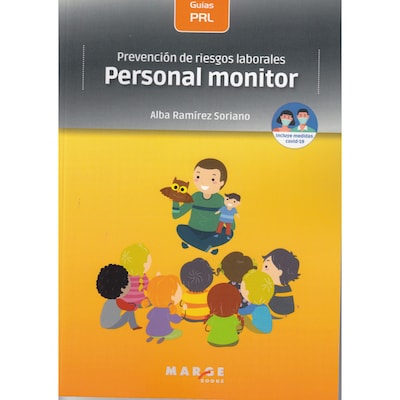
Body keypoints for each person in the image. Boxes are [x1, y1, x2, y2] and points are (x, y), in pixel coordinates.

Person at [171, 158, 233, 255]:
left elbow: (232, 226)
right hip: (193, 231)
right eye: (198, 176)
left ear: (222, 182)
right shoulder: (195, 197)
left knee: (229, 234)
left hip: (213, 233)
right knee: (180, 229)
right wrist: (175, 200)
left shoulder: (220, 200)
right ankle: (207, 248)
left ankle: (194, 243)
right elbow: (176, 215)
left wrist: (229, 211)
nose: (204, 182)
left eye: (212, 179)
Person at [96, 264, 142, 330]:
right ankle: (134, 326)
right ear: (123, 288)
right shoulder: (118, 301)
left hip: (104, 324)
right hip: (112, 324)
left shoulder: (110, 301)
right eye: (129, 281)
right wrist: (139, 305)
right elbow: (130, 307)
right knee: (130, 312)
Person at [145, 275, 186, 344]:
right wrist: (182, 317)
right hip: (164, 331)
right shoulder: (168, 311)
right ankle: (163, 337)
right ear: (172, 297)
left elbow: (148, 316)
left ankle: (152, 336)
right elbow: (176, 320)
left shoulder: (154, 309)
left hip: (150, 330)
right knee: (178, 332)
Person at [261, 248, 300, 319]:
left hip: (274, 313)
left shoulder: (272, 287)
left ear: (280, 272)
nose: (262, 270)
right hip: (286, 313)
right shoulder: (286, 286)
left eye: (266, 267)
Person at [179, 258, 215, 322]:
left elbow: (182, 305)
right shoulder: (209, 295)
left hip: (188, 317)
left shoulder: (184, 295)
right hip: (206, 318)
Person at [120, 243, 152, 309]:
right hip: (140, 302)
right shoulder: (143, 277)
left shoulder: (123, 276)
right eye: (148, 262)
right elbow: (149, 289)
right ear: (143, 264)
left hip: (124, 302)